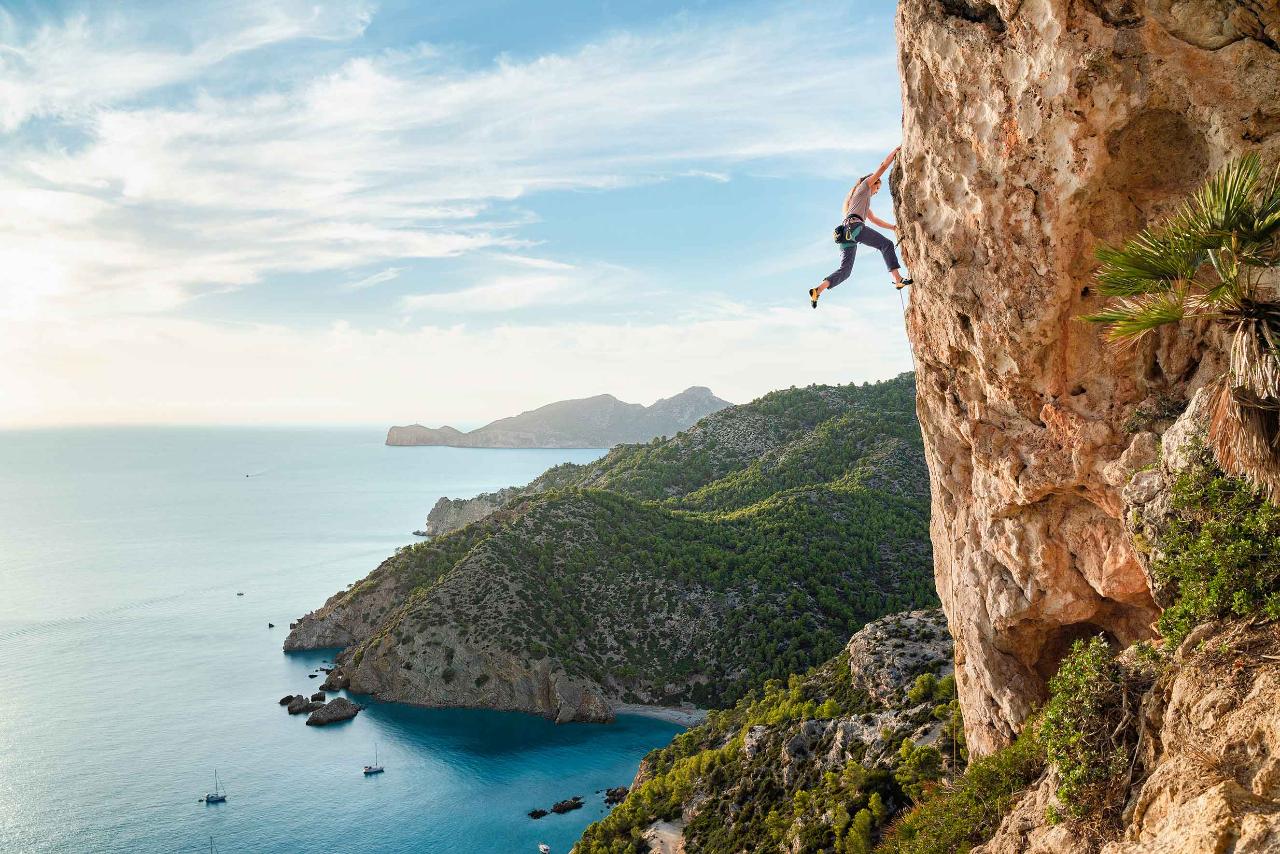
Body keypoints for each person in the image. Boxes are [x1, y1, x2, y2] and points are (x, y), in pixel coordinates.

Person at [809, 145, 912, 308]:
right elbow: (882, 166)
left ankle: (818, 290)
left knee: (845, 271)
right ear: (872, 182)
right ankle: (898, 279)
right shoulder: (864, 186)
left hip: (845, 233)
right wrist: (894, 152)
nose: (875, 192)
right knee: (886, 245)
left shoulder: (857, 201)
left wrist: (894, 227)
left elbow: (875, 220)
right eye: (876, 188)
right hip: (854, 228)